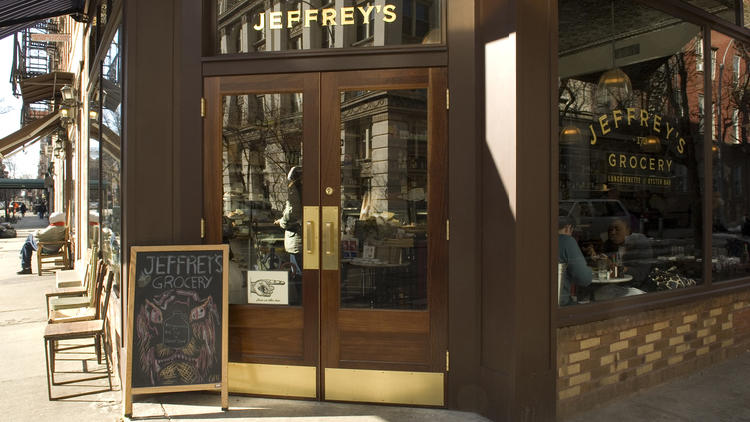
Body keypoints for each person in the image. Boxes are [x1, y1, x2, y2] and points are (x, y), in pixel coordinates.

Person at [274, 166, 302, 303]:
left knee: (297, 274)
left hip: (297, 238)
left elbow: (292, 213)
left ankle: (301, 305)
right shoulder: (309, 189)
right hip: (303, 237)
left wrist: (282, 222)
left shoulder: (294, 190)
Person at [601, 218, 653, 287]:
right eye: (610, 230)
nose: (612, 232)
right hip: (612, 286)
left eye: (617, 229)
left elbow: (641, 275)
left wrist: (619, 268)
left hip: (636, 288)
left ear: (627, 231)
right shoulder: (609, 244)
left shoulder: (640, 242)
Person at [559, 217, 592, 306]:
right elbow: (584, 279)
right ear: (568, 227)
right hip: (560, 304)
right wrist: (591, 269)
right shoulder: (566, 241)